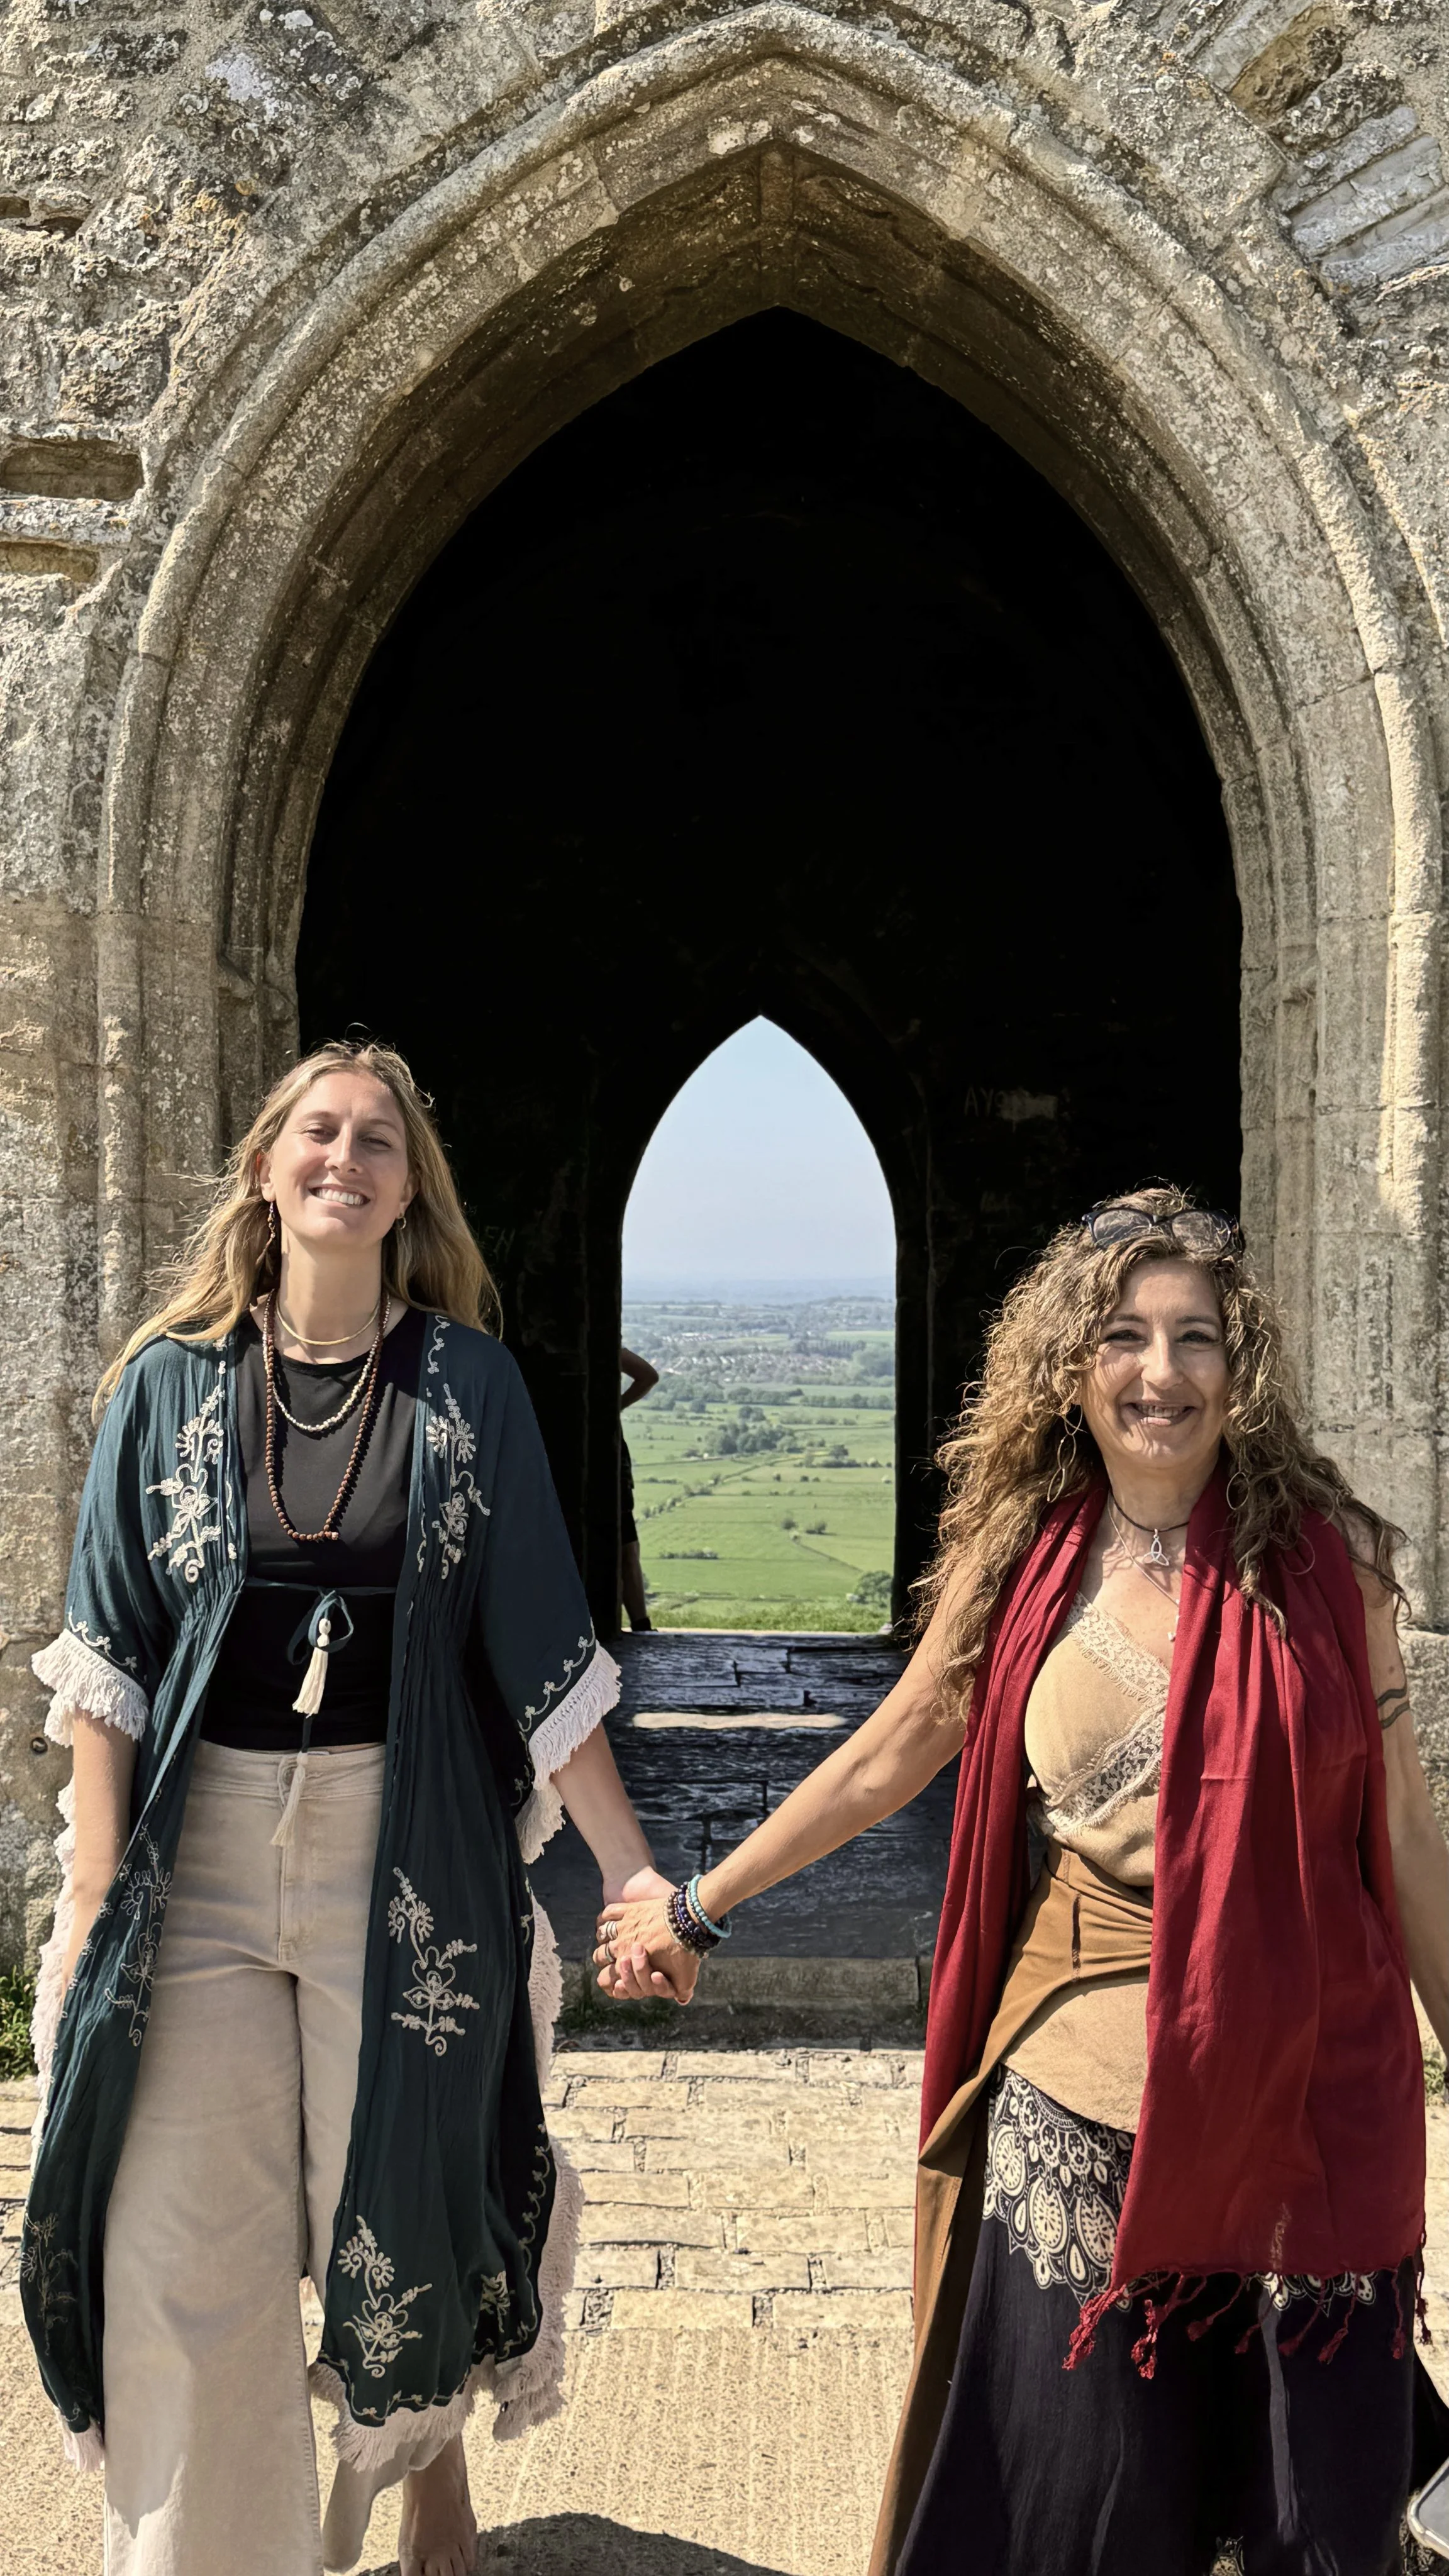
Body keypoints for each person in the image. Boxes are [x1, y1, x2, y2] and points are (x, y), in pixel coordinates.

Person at [594, 1188, 1449, 2575]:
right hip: (1083, 2122)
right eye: (1123, 1334)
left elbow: (1406, 1841)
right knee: (1082, 2515)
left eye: (1196, 1337)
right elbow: (882, 1760)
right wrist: (699, 1903)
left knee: (1313, 2524)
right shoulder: (1025, 1566)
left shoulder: (1335, 1568)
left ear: (1245, 1367)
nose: (1160, 1371)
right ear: (1071, 1363)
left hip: (1314, 2116)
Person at [21, 1039, 687, 2576]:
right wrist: (96, 1899)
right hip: (194, 1859)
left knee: (392, 2209)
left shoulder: (467, 1388)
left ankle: (411, 2468)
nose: (344, 1157)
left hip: (401, 1852)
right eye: (316, 1132)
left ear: (408, 1191)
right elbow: (107, 1654)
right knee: (181, 2242)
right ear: (267, 1169)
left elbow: (539, 1647)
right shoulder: (166, 1385)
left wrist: (637, 1877)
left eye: (377, 1140)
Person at [619, 1344, 659, 1632]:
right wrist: (615, 1407)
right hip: (613, 1459)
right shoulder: (605, 1345)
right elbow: (647, 1375)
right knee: (626, 1544)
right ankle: (640, 1625)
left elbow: (648, 1375)